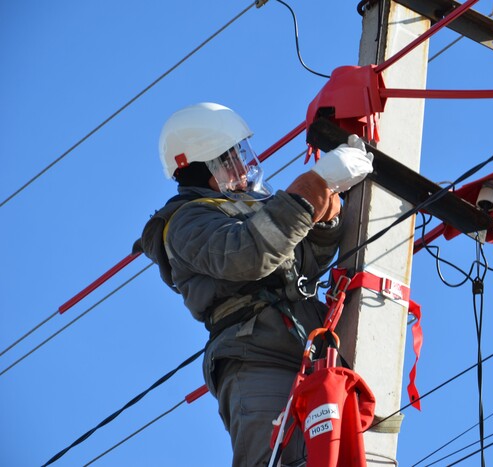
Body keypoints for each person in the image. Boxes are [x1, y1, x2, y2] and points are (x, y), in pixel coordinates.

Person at [137, 102, 373, 466]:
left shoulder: (247, 206)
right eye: (230, 158)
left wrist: (326, 217)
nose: (244, 167)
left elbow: (301, 263)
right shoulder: (186, 222)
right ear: (203, 167)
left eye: (242, 154)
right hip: (256, 359)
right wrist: (309, 192)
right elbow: (247, 254)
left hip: (310, 357)